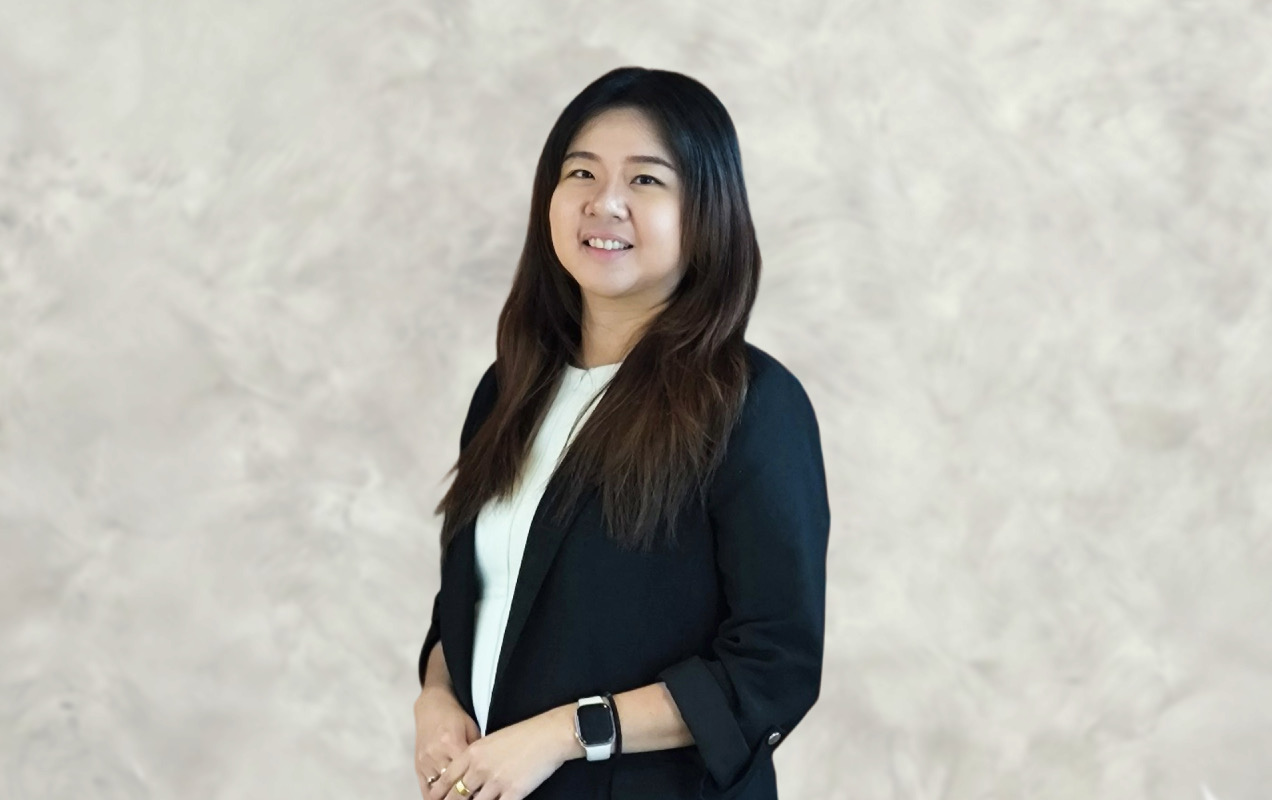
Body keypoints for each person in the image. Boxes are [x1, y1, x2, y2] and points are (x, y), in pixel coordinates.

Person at [413, 66, 830, 800]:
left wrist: (565, 732)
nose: (604, 202)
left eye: (645, 180)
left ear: (705, 211)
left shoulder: (751, 405)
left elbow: (773, 666)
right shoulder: (508, 389)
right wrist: (436, 699)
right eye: (581, 172)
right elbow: (477, 596)